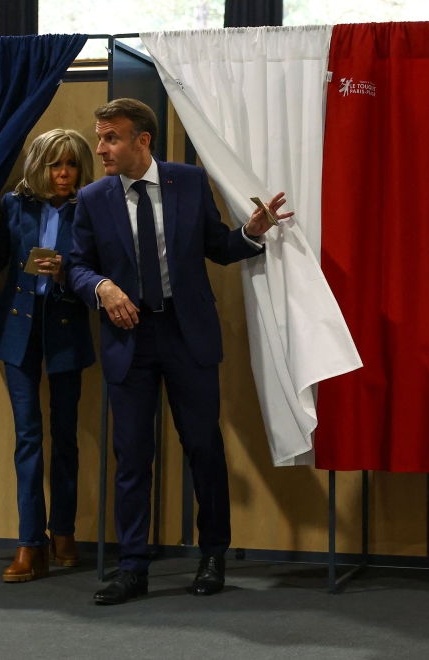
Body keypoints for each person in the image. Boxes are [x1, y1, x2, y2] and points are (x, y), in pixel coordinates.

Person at [68, 98, 292, 605]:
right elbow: (77, 266)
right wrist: (101, 286)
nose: (100, 147)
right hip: (129, 339)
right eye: (100, 137)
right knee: (132, 458)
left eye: (111, 138)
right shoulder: (92, 198)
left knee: (204, 449)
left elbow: (216, 244)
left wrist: (250, 235)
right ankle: (132, 569)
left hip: (187, 335)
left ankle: (213, 554)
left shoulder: (188, 182)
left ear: (142, 141)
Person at [0, 129, 97, 582]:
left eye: (70, 163)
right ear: (39, 166)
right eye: (55, 164)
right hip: (17, 332)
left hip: (68, 330)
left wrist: (67, 272)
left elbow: (105, 270)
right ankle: (30, 543)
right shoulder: (15, 205)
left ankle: (64, 533)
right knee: (28, 437)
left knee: (65, 437)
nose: (64, 173)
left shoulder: (91, 208)